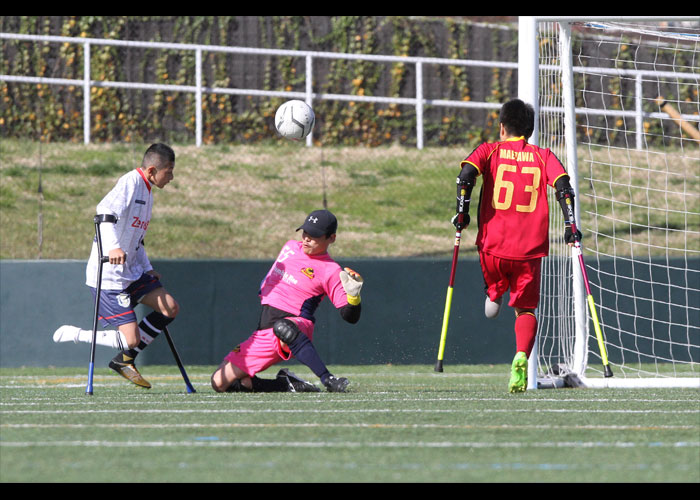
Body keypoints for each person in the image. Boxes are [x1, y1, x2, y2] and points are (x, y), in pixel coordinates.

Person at [454, 98, 581, 393]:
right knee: (526, 310)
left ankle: (494, 293)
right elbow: (564, 188)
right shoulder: (543, 155)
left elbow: (465, 177)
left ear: (502, 127)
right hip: (529, 251)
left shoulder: (490, 150)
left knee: (493, 300)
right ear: (530, 130)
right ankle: (521, 355)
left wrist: (463, 213)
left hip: (492, 247)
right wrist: (570, 225)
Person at [53, 143, 179, 389]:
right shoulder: (130, 182)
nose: (172, 177)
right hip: (111, 276)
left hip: (133, 272)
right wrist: (112, 247)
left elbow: (137, 239)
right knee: (130, 338)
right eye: (170, 171)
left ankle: (125, 360)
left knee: (170, 308)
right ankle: (77, 335)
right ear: (153, 170)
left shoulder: (148, 191)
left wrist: (147, 267)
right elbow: (103, 212)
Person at [211, 209, 363, 393]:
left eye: (314, 235)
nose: (306, 238)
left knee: (283, 327)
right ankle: (286, 383)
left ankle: (328, 379)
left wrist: (353, 296)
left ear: (331, 238)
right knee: (219, 383)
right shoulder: (290, 247)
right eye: (305, 232)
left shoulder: (331, 270)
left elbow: (350, 317)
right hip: (264, 331)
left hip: (296, 324)